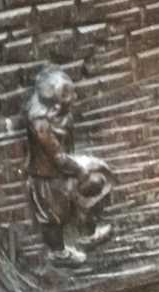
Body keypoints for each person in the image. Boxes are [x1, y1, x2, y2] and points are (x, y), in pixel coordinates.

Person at [25, 66, 112, 266]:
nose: (75, 97)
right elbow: (58, 156)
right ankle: (58, 253)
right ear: (55, 105)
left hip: (64, 170)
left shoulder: (62, 116)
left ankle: (87, 233)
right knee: (53, 217)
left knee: (88, 194)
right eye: (69, 95)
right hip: (48, 178)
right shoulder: (41, 125)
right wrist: (81, 170)